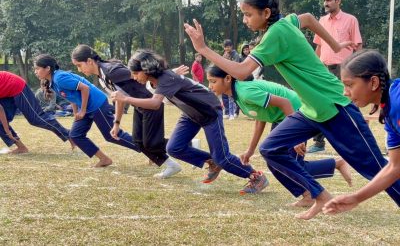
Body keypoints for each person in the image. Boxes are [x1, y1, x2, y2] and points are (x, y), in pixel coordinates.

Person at [184, 0, 400, 219]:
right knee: (271, 148)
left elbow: (240, 71)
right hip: (310, 110)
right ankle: (319, 195)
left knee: (378, 169)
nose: (245, 20)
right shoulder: (285, 23)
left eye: (248, 14)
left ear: (266, 13)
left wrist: (203, 48)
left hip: (334, 106)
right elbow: (307, 18)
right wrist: (335, 45)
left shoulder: (275, 34)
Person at [110, 49, 269, 195]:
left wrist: (124, 98)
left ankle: (256, 176)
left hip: (208, 111)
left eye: (135, 73)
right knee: (174, 147)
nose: (133, 77)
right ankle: (212, 162)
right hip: (191, 114)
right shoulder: (158, 79)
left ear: (145, 70)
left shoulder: (165, 78)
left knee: (223, 157)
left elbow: (155, 104)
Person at [207, 65, 352, 207]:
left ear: (227, 79)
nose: (210, 86)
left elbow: (285, 102)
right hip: (282, 117)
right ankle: (331, 169)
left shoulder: (245, 92)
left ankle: (310, 193)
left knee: (290, 165)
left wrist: (297, 138)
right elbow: (260, 117)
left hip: (296, 112)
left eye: (213, 81)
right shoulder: (238, 93)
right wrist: (250, 150)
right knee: (276, 160)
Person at [70, 44, 182, 178]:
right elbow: (119, 98)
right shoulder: (102, 77)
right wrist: (116, 123)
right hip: (140, 106)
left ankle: (185, 146)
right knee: (139, 142)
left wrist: (171, 72)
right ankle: (172, 164)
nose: (79, 69)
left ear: (89, 61)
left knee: (150, 143)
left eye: (79, 65)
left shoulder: (111, 71)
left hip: (151, 103)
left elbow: (143, 71)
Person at [323, 50, 400, 214]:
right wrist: (356, 198)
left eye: (349, 85)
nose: (345, 92)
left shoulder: (398, 101)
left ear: (373, 82)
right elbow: (394, 167)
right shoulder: (389, 111)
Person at [33, 54, 142, 168]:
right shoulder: (53, 82)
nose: (36, 72)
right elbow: (71, 96)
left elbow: (85, 88)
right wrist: (76, 112)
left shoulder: (59, 78)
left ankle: (148, 151)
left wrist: (83, 110)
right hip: (86, 107)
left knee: (112, 135)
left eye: (37, 68)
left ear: (47, 68)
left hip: (97, 104)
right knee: (75, 135)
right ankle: (104, 159)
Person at [308, 0, 363, 154]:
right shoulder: (321, 21)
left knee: (347, 104)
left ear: (338, 1)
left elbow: (358, 45)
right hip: (323, 68)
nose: (326, 3)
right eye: (324, 1)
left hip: (344, 69)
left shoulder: (350, 20)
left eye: (329, 0)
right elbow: (318, 46)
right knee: (319, 103)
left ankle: (356, 141)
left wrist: (357, 69)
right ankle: (318, 142)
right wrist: (313, 67)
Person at [0, 71, 72, 154]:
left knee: (36, 118)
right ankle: (21, 148)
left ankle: (69, 134)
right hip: (5, 92)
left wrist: (7, 130)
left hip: (15, 85)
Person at [222, 39, 240, 120]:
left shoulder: (235, 54)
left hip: (232, 77)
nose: (227, 49)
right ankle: (226, 112)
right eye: (225, 47)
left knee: (231, 95)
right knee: (224, 95)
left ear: (231, 46)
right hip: (225, 77)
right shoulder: (225, 54)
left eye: (228, 47)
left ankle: (233, 113)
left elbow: (235, 65)